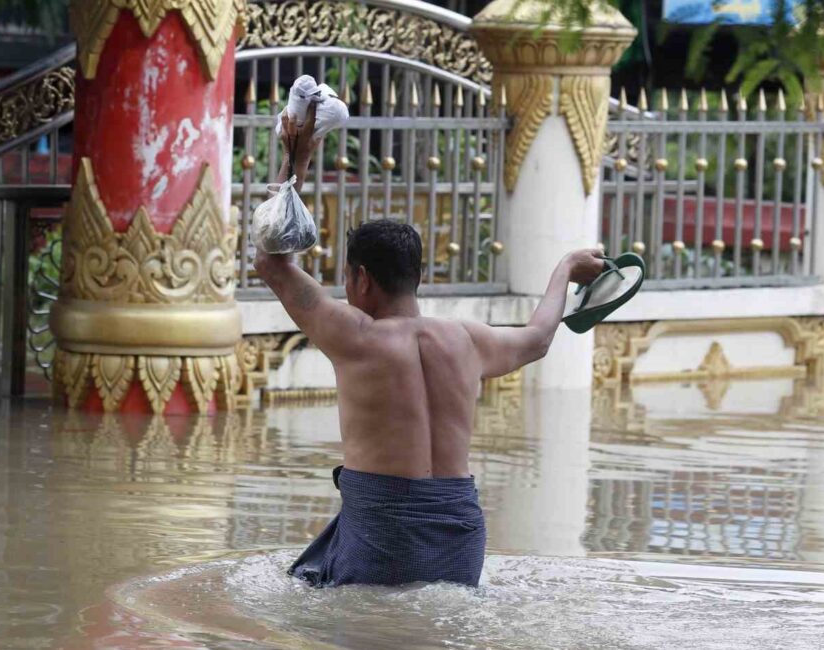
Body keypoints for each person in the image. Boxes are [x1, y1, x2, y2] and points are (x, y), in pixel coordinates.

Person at [253, 102, 606, 588]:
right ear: (419, 276)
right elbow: (540, 338)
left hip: (384, 534)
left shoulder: (354, 336)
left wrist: (300, 155)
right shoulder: (466, 339)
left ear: (361, 279)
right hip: (460, 532)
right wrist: (565, 267)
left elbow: (272, 261)